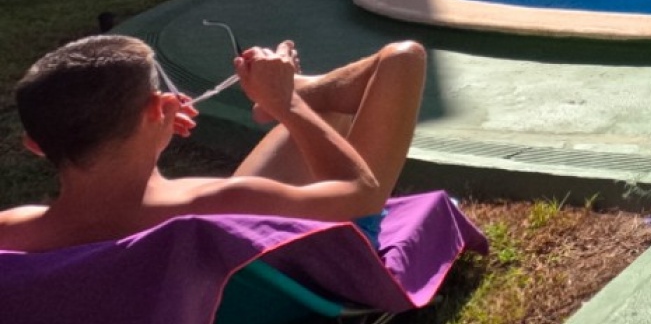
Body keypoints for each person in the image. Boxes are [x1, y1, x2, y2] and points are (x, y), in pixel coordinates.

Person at [0, 35, 426, 253]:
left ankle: (296, 94)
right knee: (403, 58)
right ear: (159, 108)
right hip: (328, 256)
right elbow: (364, 194)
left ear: (35, 144)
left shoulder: (13, 231)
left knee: (331, 103)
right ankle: (289, 94)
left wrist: (152, 130)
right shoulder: (221, 204)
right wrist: (288, 105)